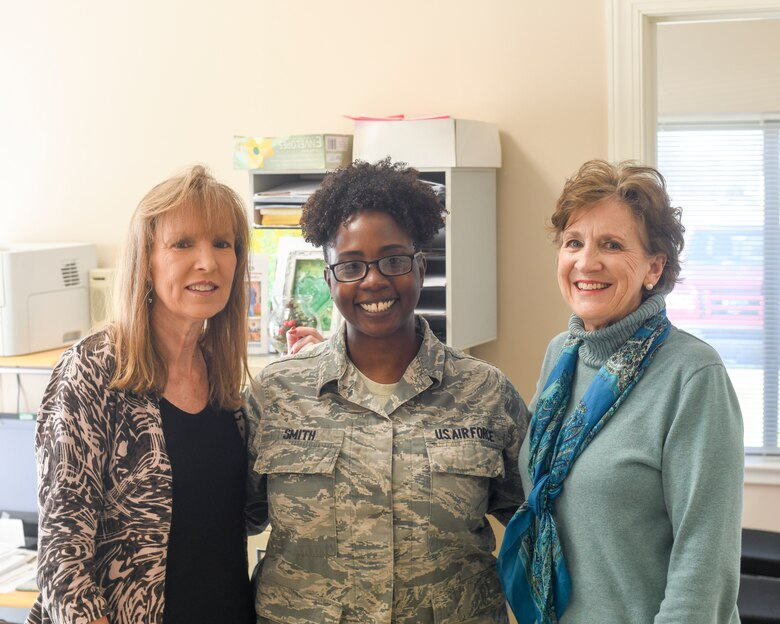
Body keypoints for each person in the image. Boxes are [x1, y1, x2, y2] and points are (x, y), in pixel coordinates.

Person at [246, 158, 529, 624]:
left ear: (420, 267)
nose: (374, 280)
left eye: (393, 260)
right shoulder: (275, 395)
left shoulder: (487, 393)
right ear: (330, 278)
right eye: (352, 266)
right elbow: (232, 522)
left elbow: (536, 528)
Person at [497, 159, 744, 623]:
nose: (586, 262)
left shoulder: (693, 375)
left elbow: (705, 565)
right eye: (574, 242)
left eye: (611, 245)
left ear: (654, 267)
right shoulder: (562, 354)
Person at [28, 165, 257, 624]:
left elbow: (245, 517)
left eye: (222, 243)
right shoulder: (93, 372)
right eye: (183, 243)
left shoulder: (223, 375)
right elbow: (61, 560)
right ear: (146, 261)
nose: (208, 262)